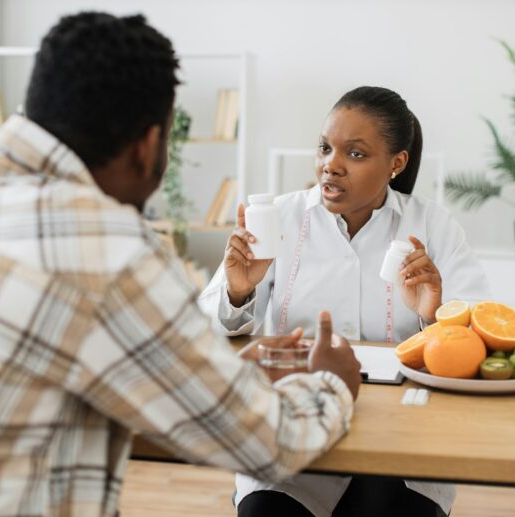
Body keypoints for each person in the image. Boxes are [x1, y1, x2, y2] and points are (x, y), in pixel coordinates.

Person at [0, 12, 363, 516]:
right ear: (149, 146)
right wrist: (333, 383)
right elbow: (268, 443)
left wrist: (221, 373)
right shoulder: (107, 251)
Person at [199, 86, 490, 517]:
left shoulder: (433, 225)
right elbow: (206, 328)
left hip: (403, 437)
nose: (330, 165)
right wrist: (239, 291)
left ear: (397, 163)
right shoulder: (279, 217)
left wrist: (434, 315)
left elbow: (476, 338)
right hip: (294, 428)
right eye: (324, 148)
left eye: (354, 154)